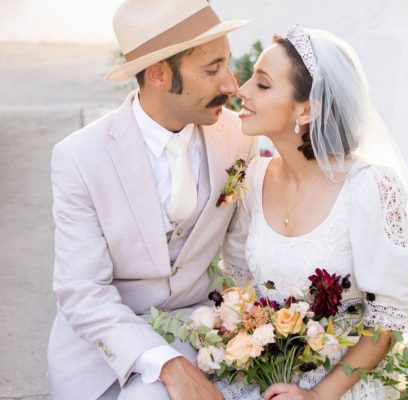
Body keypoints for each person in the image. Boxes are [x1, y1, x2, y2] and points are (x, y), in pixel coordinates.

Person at [47, 0, 258, 399]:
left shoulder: (238, 138)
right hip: (102, 350)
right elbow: (82, 290)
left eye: (227, 63)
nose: (231, 84)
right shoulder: (79, 157)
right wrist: (163, 362)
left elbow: (243, 256)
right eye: (212, 69)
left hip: (202, 333)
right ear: (159, 74)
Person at [219, 25, 408, 400]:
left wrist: (316, 395)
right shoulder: (253, 179)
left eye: (262, 85)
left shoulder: (369, 188)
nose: (241, 91)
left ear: (306, 108)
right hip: (260, 378)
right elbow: (238, 289)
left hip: (339, 386)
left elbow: (387, 322)